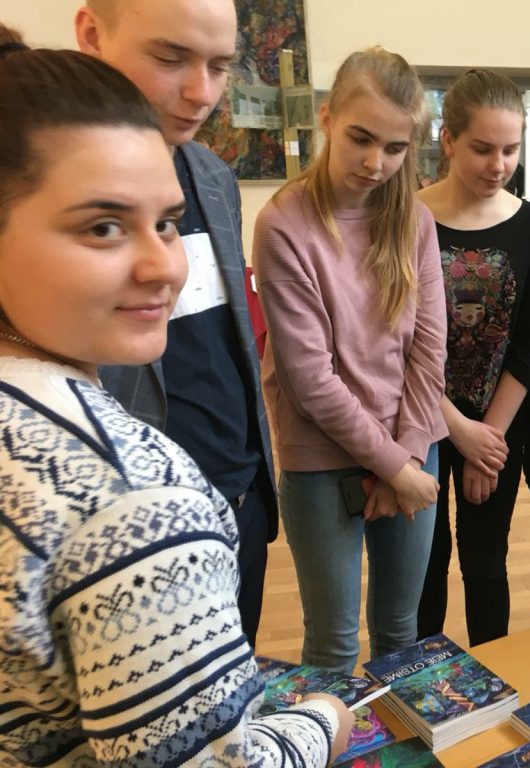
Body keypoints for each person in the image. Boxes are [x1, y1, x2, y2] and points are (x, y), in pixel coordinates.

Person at [0, 41, 352, 766]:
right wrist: (320, 723)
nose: (163, 265)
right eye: (102, 227)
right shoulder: (132, 495)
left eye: (166, 222)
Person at [75, 0, 276, 649]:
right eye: (170, 57)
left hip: (239, 494)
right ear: (91, 34)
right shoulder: (47, 187)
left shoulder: (214, 177)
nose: (202, 93)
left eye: (219, 66)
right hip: (131, 527)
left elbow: (228, 344)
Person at [252, 48, 446, 675]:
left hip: (411, 446)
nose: (375, 163)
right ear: (328, 118)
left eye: (395, 148)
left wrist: (407, 457)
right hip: (321, 458)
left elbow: (429, 349)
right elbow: (311, 380)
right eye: (361, 138)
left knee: (400, 632)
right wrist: (394, 466)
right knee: (334, 644)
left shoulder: (414, 219)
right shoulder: (283, 224)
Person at [416, 69, 530, 646]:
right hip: (419, 422)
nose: (498, 165)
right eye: (482, 148)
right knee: (424, 567)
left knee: (484, 564)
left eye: (509, 149)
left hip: (500, 424)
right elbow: (394, 341)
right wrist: (459, 431)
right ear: (448, 140)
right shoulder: (408, 217)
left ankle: (491, 678)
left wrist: (487, 441)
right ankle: (420, 683)